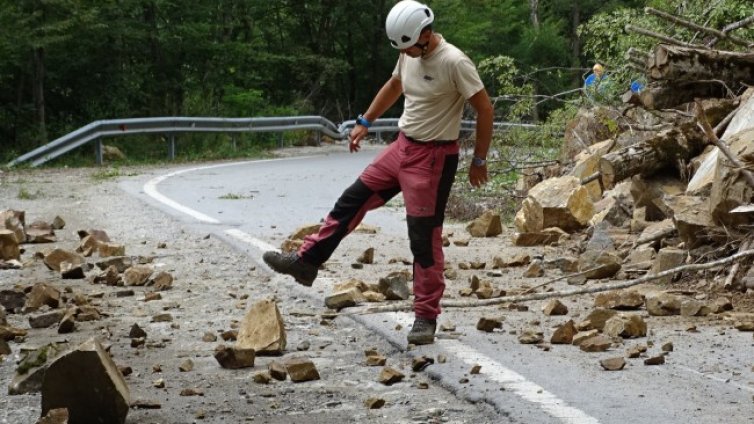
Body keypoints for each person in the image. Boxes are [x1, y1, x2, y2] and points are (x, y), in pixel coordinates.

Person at [262, 0, 493, 346]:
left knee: (423, 237)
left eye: (409, 47)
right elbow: (394, 85)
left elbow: (485, 108)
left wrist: (479, 160)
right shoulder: (408, 52)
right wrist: (365, 121)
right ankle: (306, 262)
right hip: (401, 147)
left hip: (432, 159)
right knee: (351, 201)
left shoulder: (454, 62)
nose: (406, 54)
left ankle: (426, 317)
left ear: (426, 35)